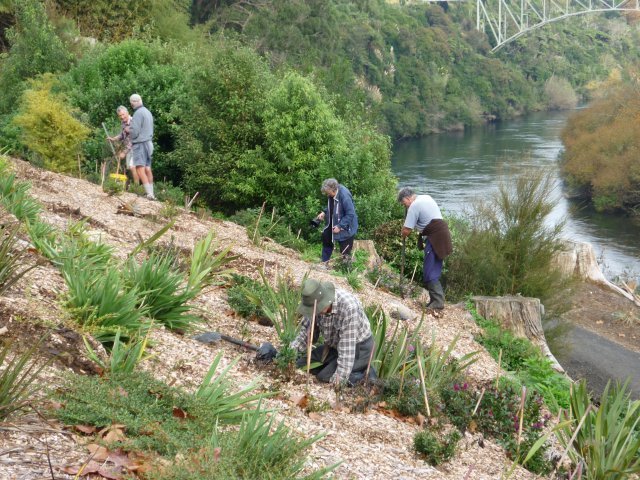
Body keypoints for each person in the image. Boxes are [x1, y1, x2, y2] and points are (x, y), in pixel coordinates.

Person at [290, 279, 376, 385]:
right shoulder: (313, 302)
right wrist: (288, 355)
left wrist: (337, 382)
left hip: (358, 348)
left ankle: (364, 371)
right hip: (334, 347)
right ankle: (337, 364)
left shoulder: (348, 307)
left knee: (324, 377)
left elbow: (347, 350)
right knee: (300, 365)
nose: (315, 312)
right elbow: (307, 335)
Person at [398, 187, 453, 315]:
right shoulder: (425, 197)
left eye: (403, 203)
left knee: (429, 271)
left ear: (407, 198)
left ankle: (438, 303)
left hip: (435, 237)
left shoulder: (414, 206)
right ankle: (435, 301)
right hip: (441, 234)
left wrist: (402, 234)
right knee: (434, 268)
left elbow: (407, 230)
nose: (404, 206)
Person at [312, 178, 358, 265]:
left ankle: (345, 270)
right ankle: (324, 263)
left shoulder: (345, 196)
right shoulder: (332, 194)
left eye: (328, 193)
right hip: (333, 221)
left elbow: (350, 213)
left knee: (345, 250)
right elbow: (334, 206)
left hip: (346, 226)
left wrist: (340, 226)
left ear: (333, 189)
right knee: (327, 238)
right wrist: (324, 212)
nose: (327, 195)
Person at [128, 93, 155, 200]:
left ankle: (149, 194)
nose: (131, 105)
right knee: (148, 169)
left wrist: (129, 131)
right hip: (149, 143)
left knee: (139, 168)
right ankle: (152, 193)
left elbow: (135, 131)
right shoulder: (147, 112)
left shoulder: (138, 113)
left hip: (140, 144)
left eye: (131, 103)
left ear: (134, 102)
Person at [107, 106, 139, 185]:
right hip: (129, 149)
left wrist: (124, 152)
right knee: (130, 168)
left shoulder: (133, 122)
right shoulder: (123, 123)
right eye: (120, 115)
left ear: (127, 113)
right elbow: (122, 135)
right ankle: (131, 185)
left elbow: (133, 140)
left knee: (132, 167)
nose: (122, 117)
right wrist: (114, 138)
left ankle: (137, 188)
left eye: (123, 114)